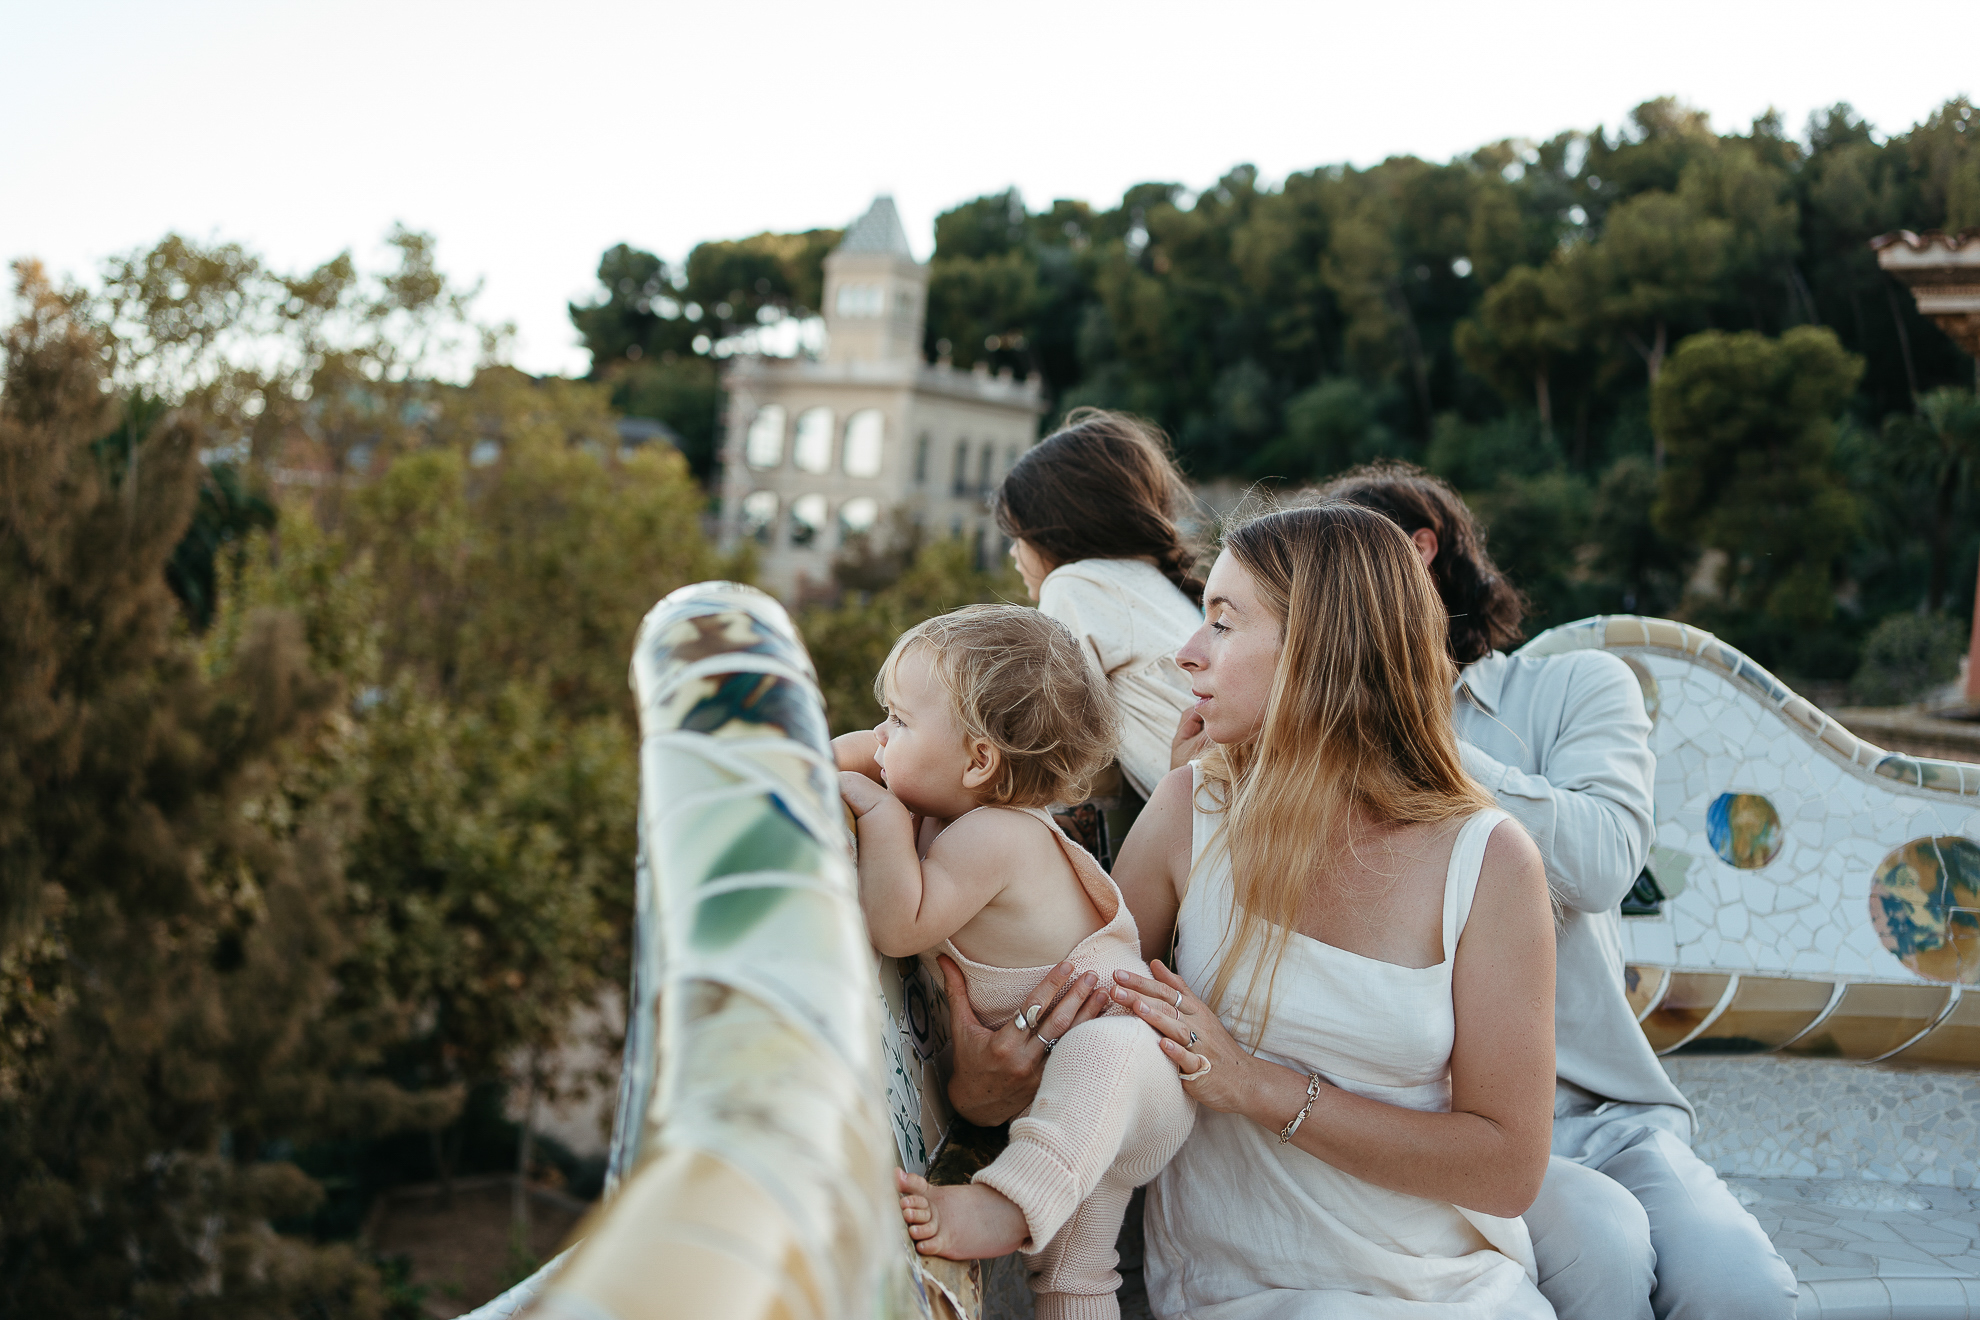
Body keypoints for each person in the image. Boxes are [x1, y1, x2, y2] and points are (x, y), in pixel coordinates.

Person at [1321, 463, 1796, 1320]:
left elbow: (1606, 860)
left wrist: (1408, 731)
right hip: (1431, 1126)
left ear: (1419, 552)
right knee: (1600, 1264)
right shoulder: (1311, 737)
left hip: (1601, 1112)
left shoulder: (1576, 687)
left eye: (1339, 577)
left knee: (1744, 1292)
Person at [1107, 501, 1557, 1316]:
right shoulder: (1189, 815)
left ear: (1323, 648)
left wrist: (1255, 1085)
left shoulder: (1486, 860)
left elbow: (1507, 1167)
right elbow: (1075, 1014)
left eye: (1224, 623)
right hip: (1245, 1292)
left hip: (1452, 1289)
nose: (1187, 652)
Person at [837, 604, 1195, 1320]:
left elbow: (899, 924)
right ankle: (1035, 1222)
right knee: (1074, 1280)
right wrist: (865, 758)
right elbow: (839, 755)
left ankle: (1002, 1206)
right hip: (1066, 1113)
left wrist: (875, 815)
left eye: (900, 722)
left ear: (978, 760)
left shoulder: (995, 836)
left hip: (1130, 1069)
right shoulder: (961, 809)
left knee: (1101, 1048)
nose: (879, 736)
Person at [992, 408, 1203, 804]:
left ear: (1058, 532)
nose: (1012, 553)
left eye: (1019, 535)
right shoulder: (1156, 584)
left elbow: (1049, 744)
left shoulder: (1075, 585)